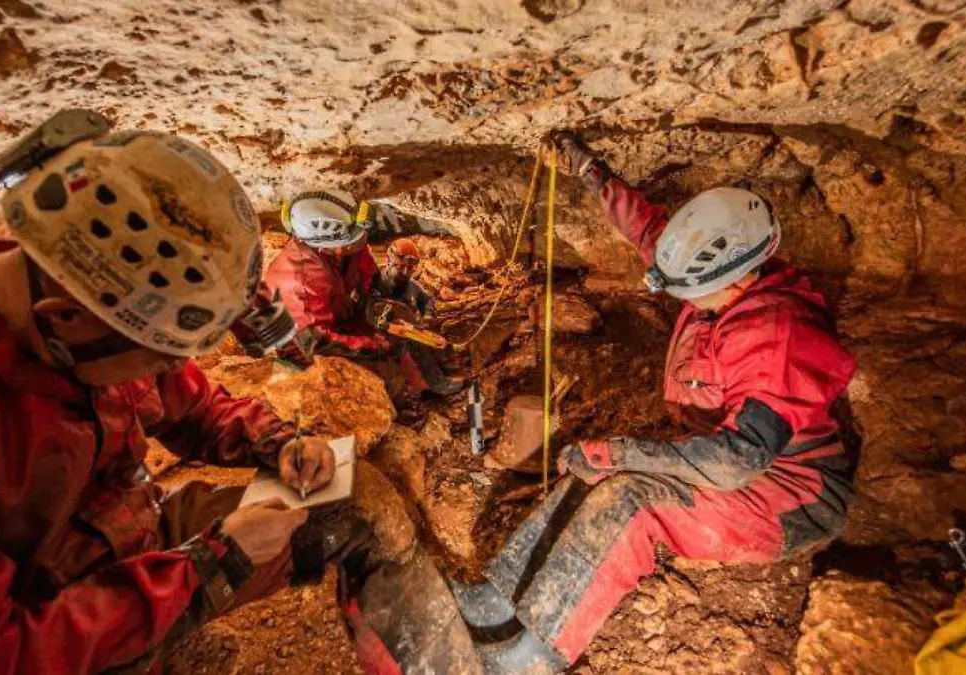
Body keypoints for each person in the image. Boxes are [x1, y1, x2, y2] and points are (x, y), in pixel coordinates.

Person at [0, 110, 374, 675]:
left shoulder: (93, 312)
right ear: (66, 320)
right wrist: (208, 564)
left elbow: (192, 406)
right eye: (161, 357)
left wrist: (275, 442)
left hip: (113, 533)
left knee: (333, 516)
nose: (173, 369)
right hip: (35, 623)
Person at [444, 132, 860, 673]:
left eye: (686, 291)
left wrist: (622, 453)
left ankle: (530, 655)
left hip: (792, 491)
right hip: (729, 458)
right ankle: (497, 602)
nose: (678, 296)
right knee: (592, 471)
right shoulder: (716, 274)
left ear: (736, 279)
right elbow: (649, 230)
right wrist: (592, 171)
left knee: (631, 500)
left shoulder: (777, 335)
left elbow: (736, 460)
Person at [263, 190, 462, 400]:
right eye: (352, 239)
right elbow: (316, 343)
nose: (360, 241)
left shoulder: (344, 246)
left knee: (402, 322)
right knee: (381, 373)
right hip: (310, 347)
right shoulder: (298, 282)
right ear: (330, 247)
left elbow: (368, 274)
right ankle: (409, 393)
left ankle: (430, 376)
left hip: (339, 317)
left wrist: (375, 307)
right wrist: (374, 345)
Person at [376, 238, 436, 320]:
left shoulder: (413, 287)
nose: (405, 273)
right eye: (401, 267)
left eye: (410, 269)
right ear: (389, 262)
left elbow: (428, 300)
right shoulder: (373, 278)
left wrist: (428, 315)